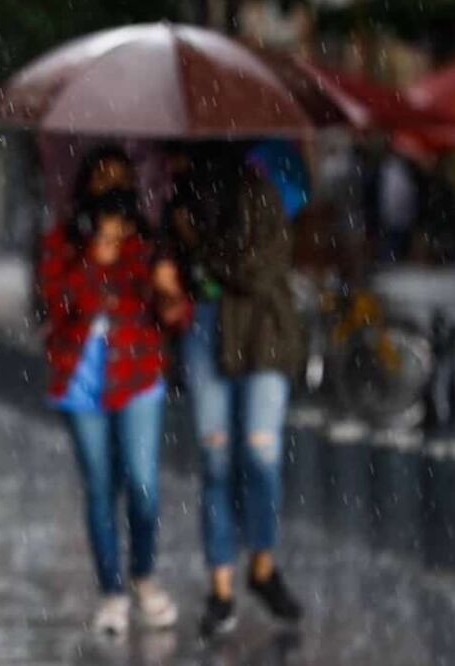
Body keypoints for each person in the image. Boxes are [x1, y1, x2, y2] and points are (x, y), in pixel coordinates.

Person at [166, 146, 305, 637]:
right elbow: (173, 272)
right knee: (216, 462)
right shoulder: (180, 200)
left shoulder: (260, 193)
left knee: (261, 455)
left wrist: (200, 247)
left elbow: (257, 271)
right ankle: (221, 588)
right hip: (206, 336)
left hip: (263, 337)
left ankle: (263, 567)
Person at [39, 188, 188, 637]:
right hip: (81, 386)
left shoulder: (145, 255)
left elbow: (177, 317)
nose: (112, 233)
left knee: (142, 485)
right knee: (100, 489)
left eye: (119, 224)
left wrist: (168, 291)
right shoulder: (66, 250)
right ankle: (112, 592)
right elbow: (58, 305)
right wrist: (90, 261)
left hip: (138, 379)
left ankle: (143, 574)